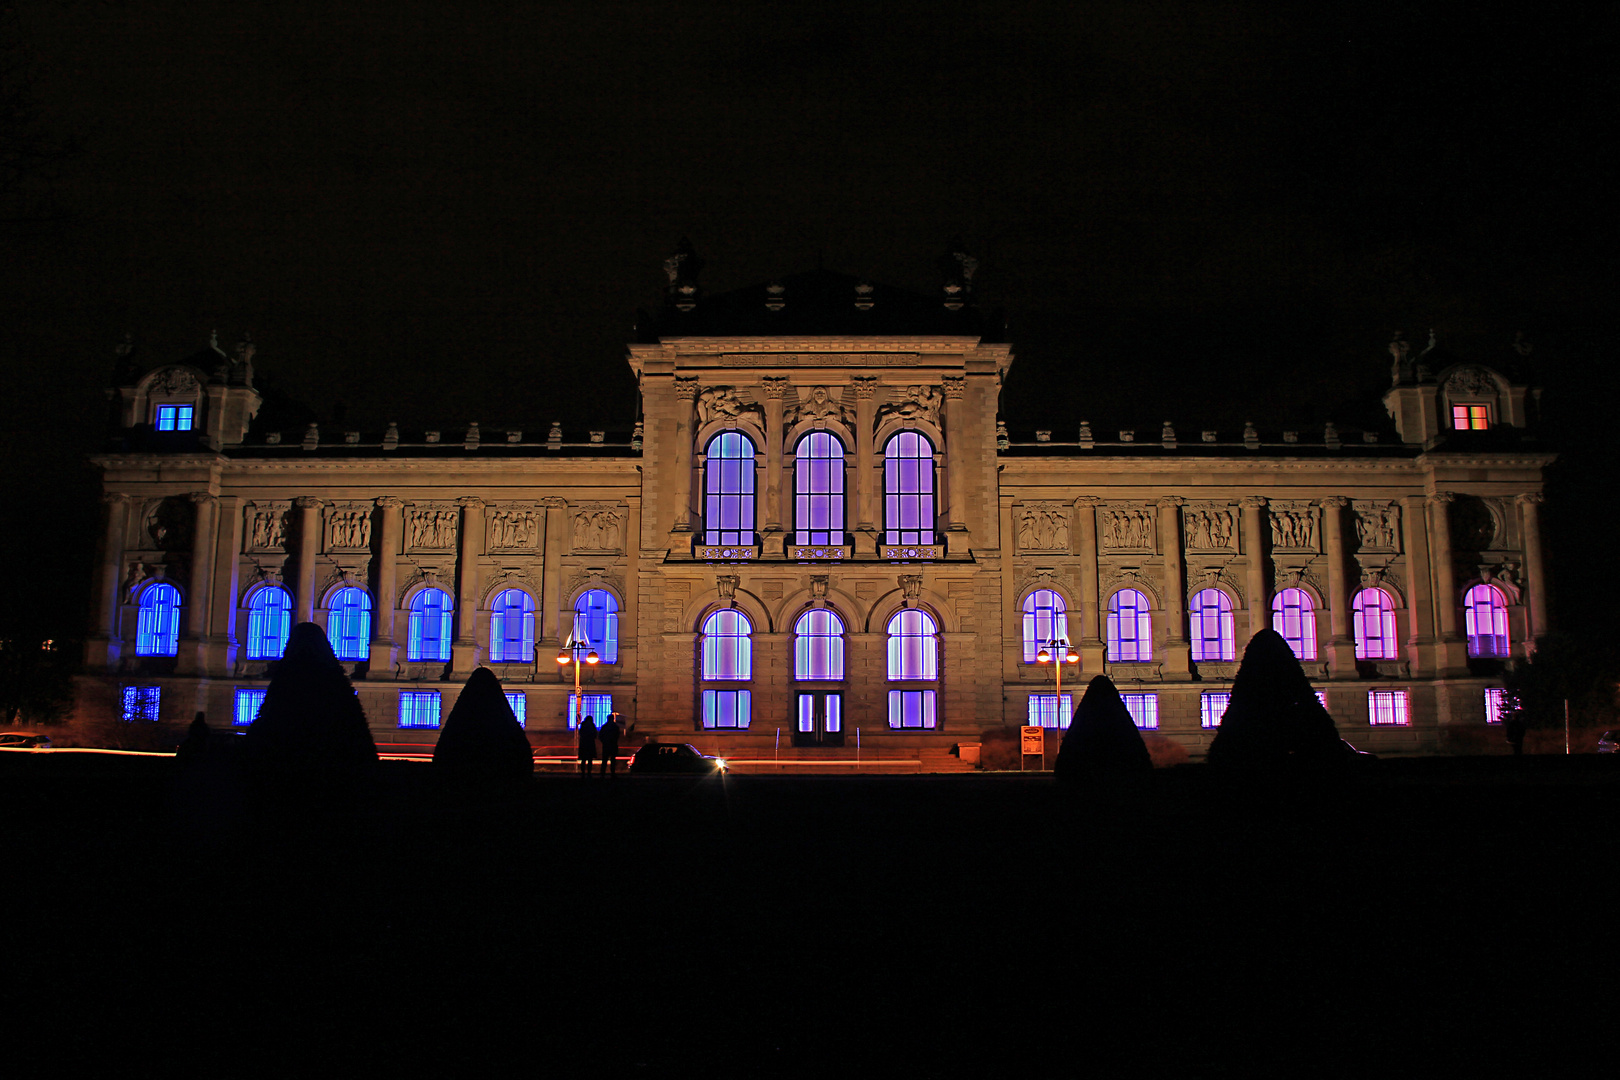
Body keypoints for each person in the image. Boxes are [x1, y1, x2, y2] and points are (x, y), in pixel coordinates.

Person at [598, 712, 623, 777]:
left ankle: (602, 773)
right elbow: (617, 735)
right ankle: (612, 773)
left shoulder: (605, 727)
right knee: (613, 761)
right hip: (613, 745)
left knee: (604, 760)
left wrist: (604, 741)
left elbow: (600, 735)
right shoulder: (615, 727)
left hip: (606, 745)